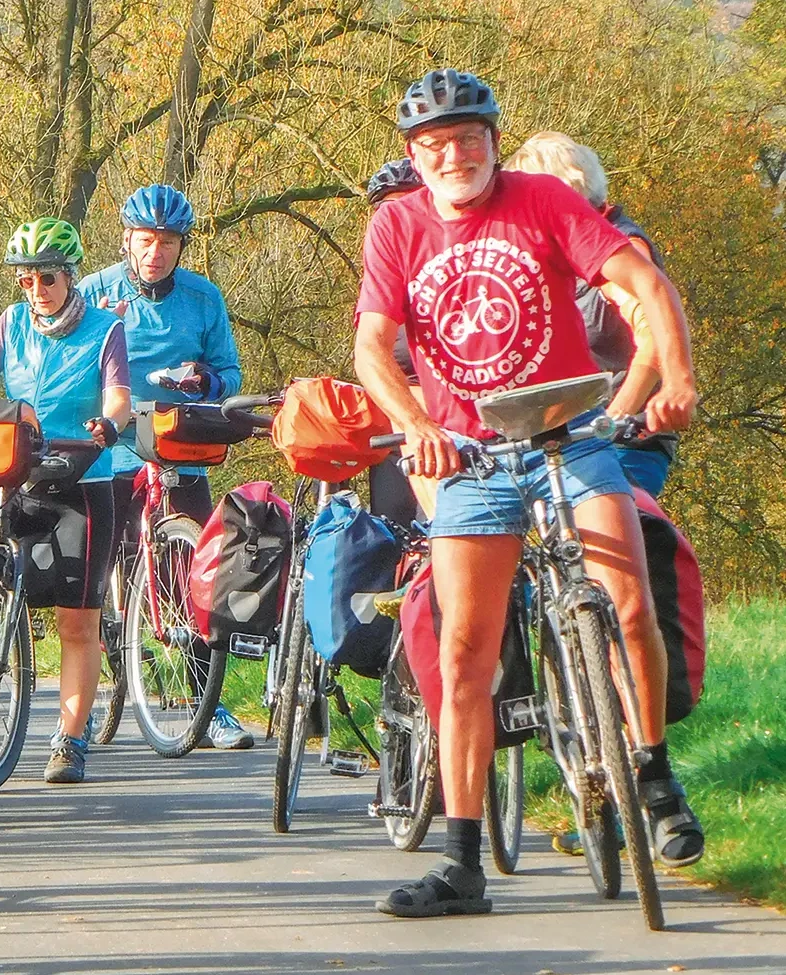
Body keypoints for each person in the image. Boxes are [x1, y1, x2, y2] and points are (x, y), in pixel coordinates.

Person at [352, 68, 701, 919]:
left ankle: (652, 773)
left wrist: (677, 377)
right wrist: (414, 420)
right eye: (434, 145)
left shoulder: (543, 201)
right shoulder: (396, 225)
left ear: (494, 142)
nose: (452, 156)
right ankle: (464, 860)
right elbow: (371, 346)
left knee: (626, 603)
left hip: (569, 439)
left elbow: (646, 285)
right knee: (466, 650)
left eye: (468, 140)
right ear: (413, 154)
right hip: (470, 454)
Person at [0, 217, 130, 783]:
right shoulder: (11, 322)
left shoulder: (103, 329)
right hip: (17, 472)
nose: (36, 291)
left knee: (78, 623)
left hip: (83, 480)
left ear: (70, 276)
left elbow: (119, 396)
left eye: (46, 277)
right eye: (25, 280)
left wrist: (109, 424)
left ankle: (70, 740)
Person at [76, 185, 251, 749]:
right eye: (146, 239)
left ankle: (209, 702)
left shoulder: (203, 299)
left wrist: (206, 380)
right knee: (94, 557)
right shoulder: (95, 291)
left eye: (168, 241)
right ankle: (109, 645)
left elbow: (230, 371)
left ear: (181, 245)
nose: (156, 251)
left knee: (198, 571)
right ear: (127, 239)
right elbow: (67, 359)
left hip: (177, 440)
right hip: (111, 444)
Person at [504, 131, 677, 496]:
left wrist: (615, 417)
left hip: (624, 440)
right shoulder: (561, 253)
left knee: (605, 542)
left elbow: (654, 339)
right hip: (567, 437)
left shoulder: (618, 247)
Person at [362, 158, 438, 524]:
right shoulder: (381, 279)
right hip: (397, 421)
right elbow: (370, 352)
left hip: (455, 424)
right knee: (393, 530)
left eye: (411, 203)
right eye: (388, 209)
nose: (401, 218)